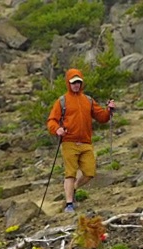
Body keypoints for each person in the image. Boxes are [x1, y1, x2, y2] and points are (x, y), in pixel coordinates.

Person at [47, 68, 116, 213]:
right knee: (70, 173)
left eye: (78, 82)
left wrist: (109, 111)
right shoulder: (62, 101)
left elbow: (102, 118)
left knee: (89, 172)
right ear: (68, 83)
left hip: (85, 143)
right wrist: (57, 129)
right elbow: (52, 120)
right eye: (73, 82)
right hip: (69, 142)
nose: (76, 85)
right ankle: (69, 204)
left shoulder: (88, 100)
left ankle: (73, 189)